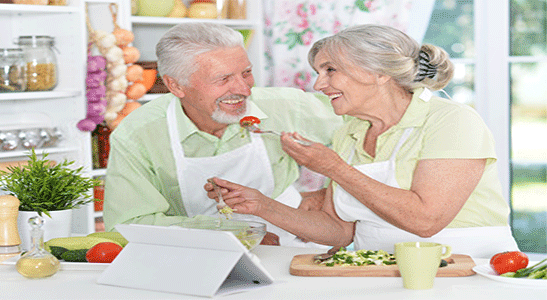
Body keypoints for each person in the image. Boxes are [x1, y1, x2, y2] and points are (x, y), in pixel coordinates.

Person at [207, 24, 520, 258]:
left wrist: (335, 169)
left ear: (379, 73)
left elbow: (426, 221)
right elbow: (338, 230)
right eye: (318, 72)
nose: (319, 84)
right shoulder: (350, 131)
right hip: (378, 271)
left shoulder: (452, 121)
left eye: (330, 70)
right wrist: (260, 205)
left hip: (464, 271)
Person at [103, 22, 344, 248]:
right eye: (223, 79)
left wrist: (334, 192)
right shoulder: (138, 135)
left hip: (298, 244)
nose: (244, 89)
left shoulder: (286, 106)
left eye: (246, 72)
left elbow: (371, 127)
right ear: (175, 85)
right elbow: (129, 224)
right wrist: (234, 235)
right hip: (198, 253)